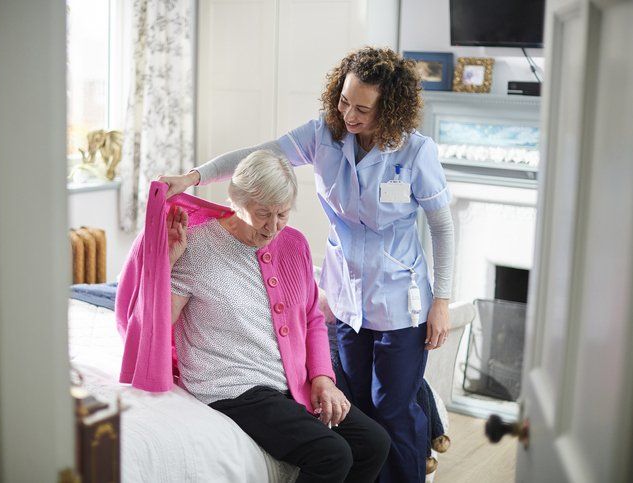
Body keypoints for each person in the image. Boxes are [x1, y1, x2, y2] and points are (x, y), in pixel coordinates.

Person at [161, 46, 454, 483]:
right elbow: (252, 157)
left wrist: (442, 301)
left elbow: (443, 229)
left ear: (388, 109)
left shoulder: (415, 154)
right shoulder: (324, 136)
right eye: (343, 101)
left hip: (400, 300)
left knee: (393, 408)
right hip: (346, 297)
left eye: (362, 109)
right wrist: (193, 178)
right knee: (362, 402)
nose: (348, 115)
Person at [167, 149, 390, 483]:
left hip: (286, 382)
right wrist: (167, 264)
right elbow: (157, 324)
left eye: (282, 214)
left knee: (374, 443)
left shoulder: (294, 244)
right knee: (332, 454)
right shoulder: (196, 248)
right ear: (235, 199)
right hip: (231, 387)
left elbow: (312, 318)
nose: (272, 227)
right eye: (262, 214)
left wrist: (323, 379)